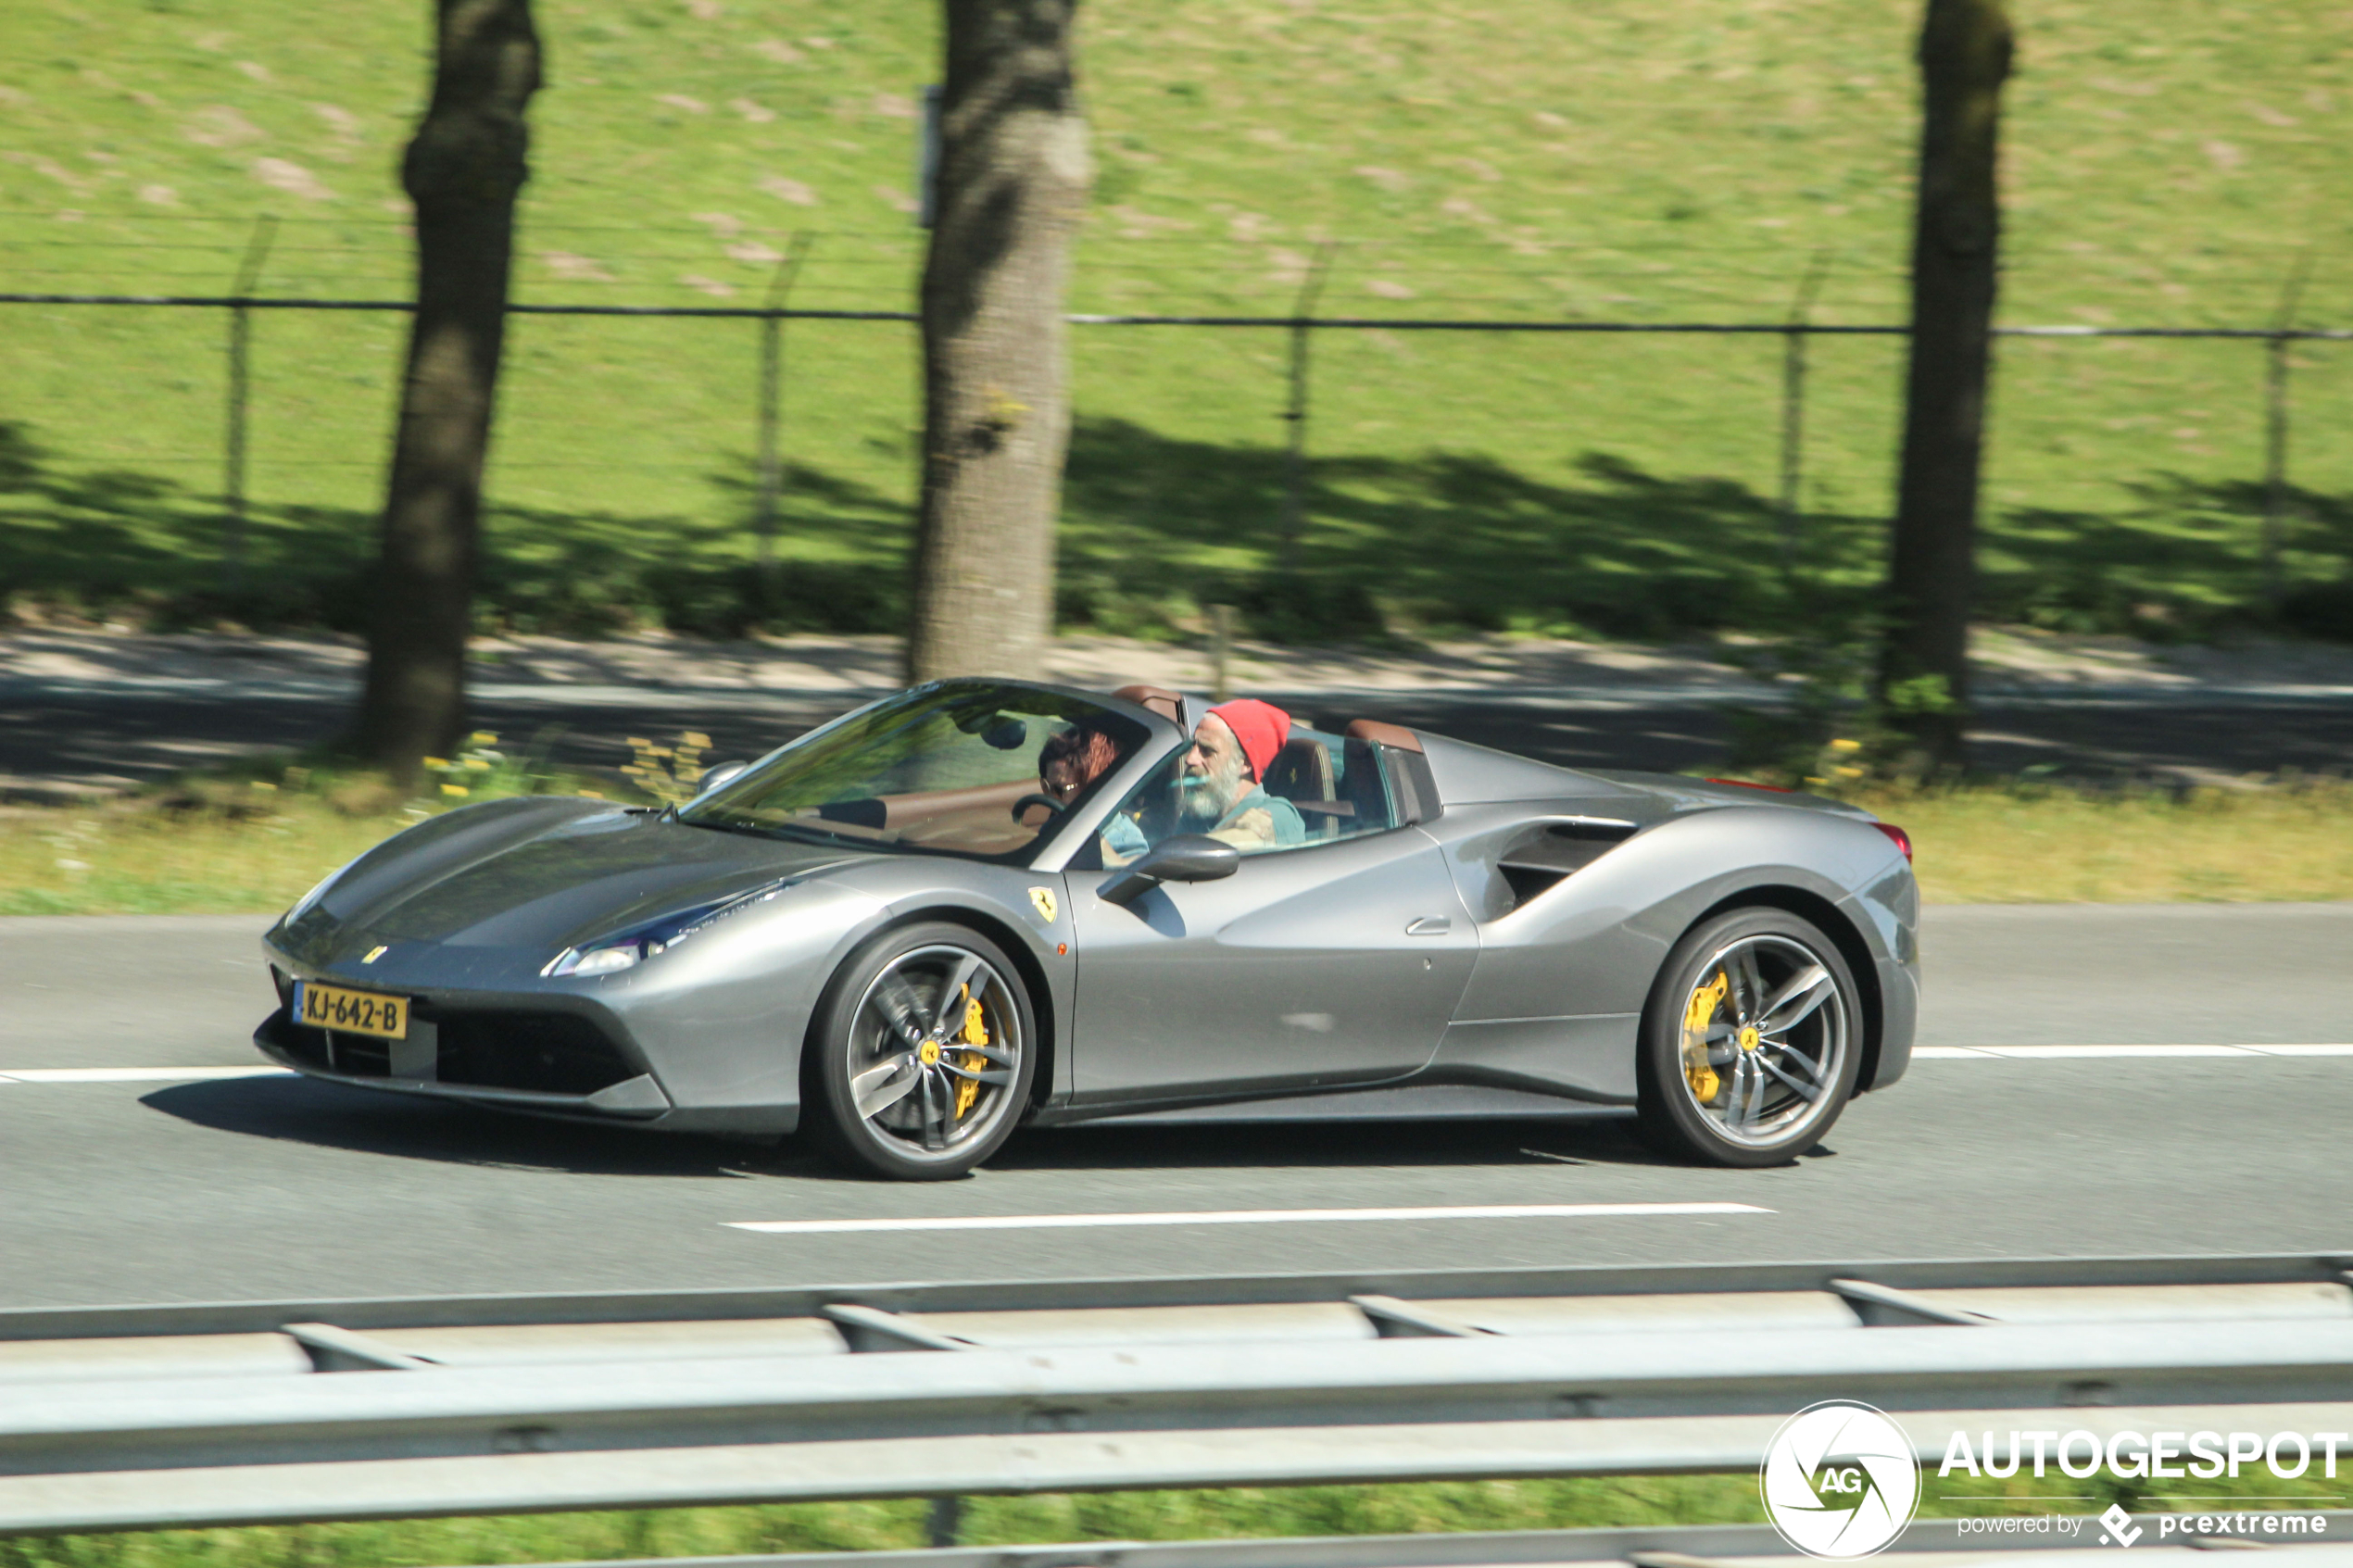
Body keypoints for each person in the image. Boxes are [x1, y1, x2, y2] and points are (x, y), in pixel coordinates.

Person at [1182, 698, 1307, 852]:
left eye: (1207, 751)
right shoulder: (1200, 813)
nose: (1190, 758)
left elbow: (1188, 856)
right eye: (1192, 746)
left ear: (1244, 764)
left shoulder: (1277, 814)